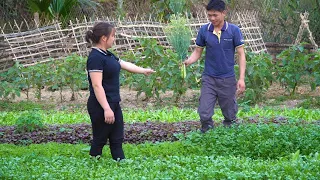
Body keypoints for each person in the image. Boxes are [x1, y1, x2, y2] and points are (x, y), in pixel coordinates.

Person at [85, 22, 155, 160]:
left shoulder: (108, 55)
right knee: (100, 139)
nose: (114, 39)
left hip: (114, 102)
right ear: (104, 38)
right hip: (101, 105)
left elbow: (124, 64)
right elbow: (97, 85)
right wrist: (106, 108)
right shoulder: (95, 58)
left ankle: (120, 164)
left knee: (117, 139)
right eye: (113, 36)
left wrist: (143, 71)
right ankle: (92, 165)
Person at [184, 0, 246, 133]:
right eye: (209, 15)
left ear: (224, 13)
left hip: (227, 78)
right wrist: (188, 61)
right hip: (209, 78)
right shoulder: (204, 30)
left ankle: (230, 134)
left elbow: (241, 55)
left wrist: (241, 78)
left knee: (230, 113)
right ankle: (207, 134)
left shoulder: (234, 31)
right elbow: (197, 52)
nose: (212, 18)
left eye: (215, 15)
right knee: (204, 112)